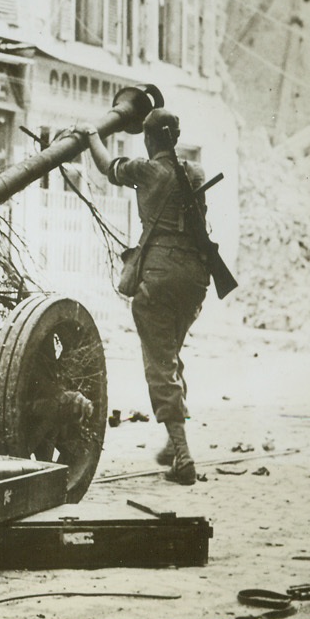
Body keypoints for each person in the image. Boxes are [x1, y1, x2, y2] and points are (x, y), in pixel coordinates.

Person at [81, 92, 209, 486]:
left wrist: (91, 136)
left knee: (159, 366)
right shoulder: (196, 173)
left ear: (150, 140)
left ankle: (183, 456)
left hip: (159, 277)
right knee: (169, 356)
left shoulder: (147, 171)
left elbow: (106, 167)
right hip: (195, 279)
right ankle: (175, 442)